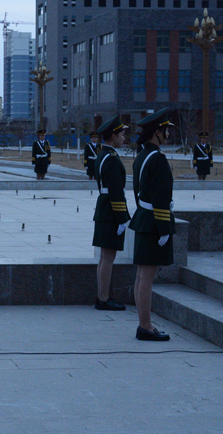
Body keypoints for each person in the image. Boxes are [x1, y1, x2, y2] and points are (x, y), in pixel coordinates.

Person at [129, 108, 175, 341]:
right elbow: (160, 197)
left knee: (142, 276)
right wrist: (164, 229)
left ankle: (144, 324)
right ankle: (145, 327)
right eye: (166, 130)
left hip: (144, 219)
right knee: (146, 277)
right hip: (154, 223)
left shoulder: (143, 155)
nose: (168, 134)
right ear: (157, 132)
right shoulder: (157, 159)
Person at [92, 115, 130, 311]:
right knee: (108, 257)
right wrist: (122, 217)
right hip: (111, 210)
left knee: (104, 257)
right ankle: (104, 299)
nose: (124, 138)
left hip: (104, 207)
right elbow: (116, 191)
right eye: (122, 134)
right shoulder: (112, 159)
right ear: (113, 136)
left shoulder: (102, 155)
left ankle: (102, 296)